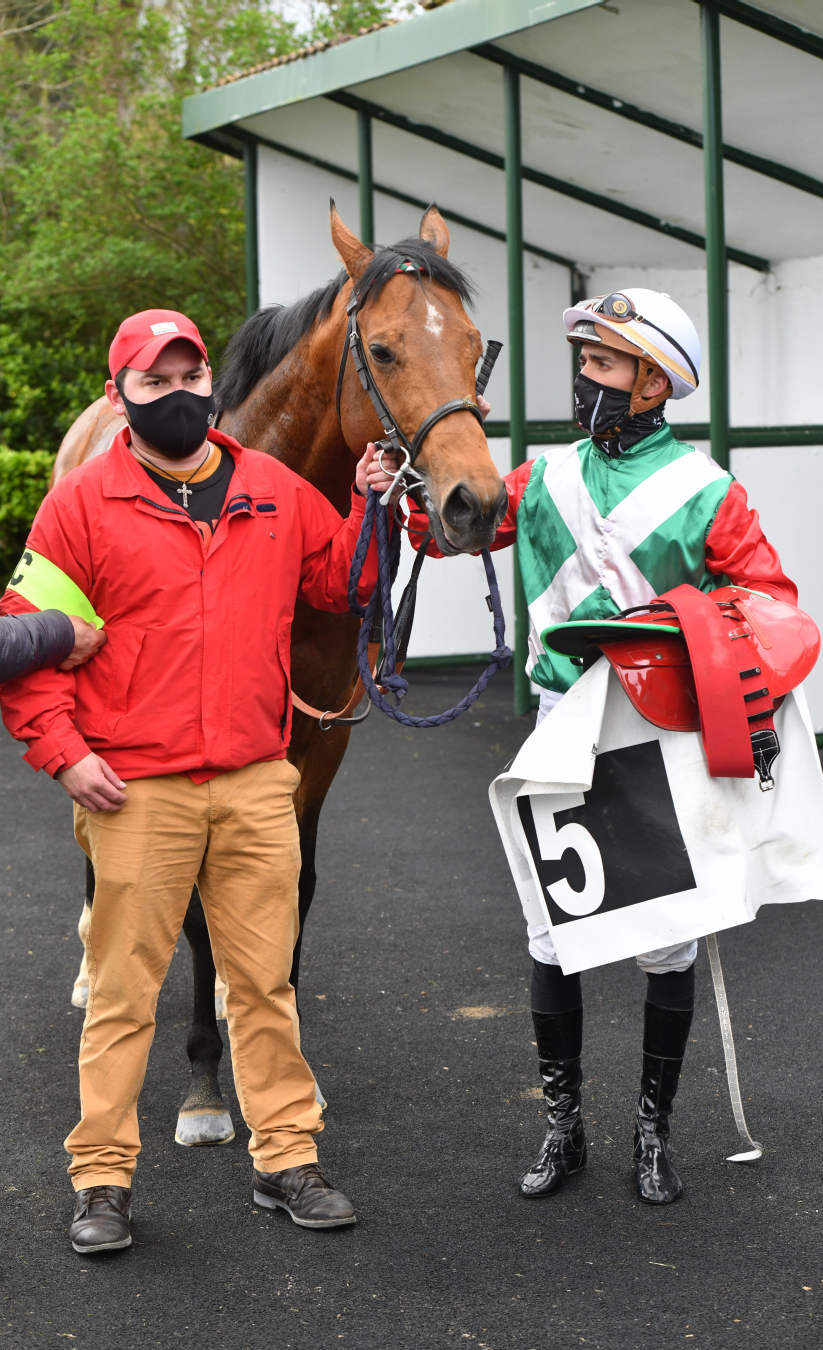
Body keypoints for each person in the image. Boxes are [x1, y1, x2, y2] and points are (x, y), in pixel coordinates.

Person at [0, 308, 396, 1254]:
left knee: (265, 988)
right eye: (154, 381)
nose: (178, 395)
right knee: (122, 996)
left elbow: (341, 586)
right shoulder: (82, 505)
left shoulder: (272, 488)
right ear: (118, 396)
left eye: (190, 377)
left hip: (258, 781)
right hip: (137, 791)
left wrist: (373, 509)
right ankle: (101, 1181)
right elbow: (22, 651)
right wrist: (66, 753)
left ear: (210, 381)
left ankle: (286, 1159)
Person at [406, 288, 798, 1206]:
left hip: (662, 741)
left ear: (653, 381)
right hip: (560, 729)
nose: (584, 380)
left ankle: (653, 1135)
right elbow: (452, 531)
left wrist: (698, 636)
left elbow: (770, 602)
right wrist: (394, 488)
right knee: (553, 937)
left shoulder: (710, 492)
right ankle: (564, 1127)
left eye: (603, 366)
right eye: (583, 362)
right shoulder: (543, 476)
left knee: (665, 944)